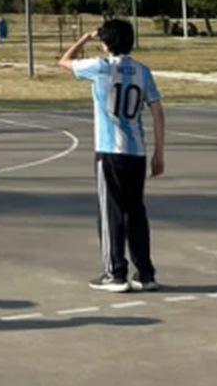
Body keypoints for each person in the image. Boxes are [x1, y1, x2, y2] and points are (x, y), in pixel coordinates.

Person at [59, 18, 165, 293]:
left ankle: (115, 273)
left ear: (105, 43)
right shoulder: (143, 71)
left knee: (110, 213)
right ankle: (145, 273)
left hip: (109, 151)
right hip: (137, 152)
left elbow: (64, 61)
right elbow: (157, 111)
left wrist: (85, 37)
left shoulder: (101, 67)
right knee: (136, 212)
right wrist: (159, 152)